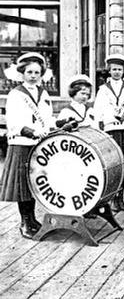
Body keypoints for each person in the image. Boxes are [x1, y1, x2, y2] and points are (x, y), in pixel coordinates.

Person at [0, 53, 64, 238]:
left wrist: (60, 123)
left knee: (33, 183)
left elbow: (47, 118)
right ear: (22, 73)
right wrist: (32, 131)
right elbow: (14, 122)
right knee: (22, 185)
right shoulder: (16, 94)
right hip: (22, 144)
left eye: (37, 72)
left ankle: (32, 218)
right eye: (30, 72)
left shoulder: (43, 93)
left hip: (38, 144)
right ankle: (24, 222)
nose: (33, 75)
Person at [93, 53, 124, 212]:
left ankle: (120, 197)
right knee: (114, 164)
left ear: (123, 70)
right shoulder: (103, 89)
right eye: (113, 69)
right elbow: (98, 111)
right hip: (111, 128)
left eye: (119, 69)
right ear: (109, 71)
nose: (116, 72)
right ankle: (113, 198)